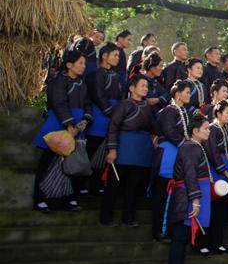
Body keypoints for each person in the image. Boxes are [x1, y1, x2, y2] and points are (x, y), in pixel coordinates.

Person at [33, 49, 91, 212]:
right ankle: (39, 198)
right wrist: (69, 125)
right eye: (80, 63)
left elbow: (87, 102)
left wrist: (85, 120)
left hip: (77, 125)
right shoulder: (58, 81)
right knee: (48, 163)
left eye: (84, 63)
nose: (83, 66)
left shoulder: (82, 82)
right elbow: (59, 103)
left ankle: (69, 198)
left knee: (72, 164)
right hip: (59, 124)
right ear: (69, 65)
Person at [165, 113, 212, 264]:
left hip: (187, 196)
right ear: (195, 130)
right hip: (186, 198)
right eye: (206, 128)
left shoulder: (194, 146)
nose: (209, 131)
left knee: (182, 240)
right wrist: (195, 200)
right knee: (180, 238)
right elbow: (190, 174)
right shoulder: (191, 147)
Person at [100, 74, 154, 227]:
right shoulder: (124, 104)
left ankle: (129, 217)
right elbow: (113, 127)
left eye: (147, 86)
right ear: (132, 88)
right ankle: (106, 217)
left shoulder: (148, 107)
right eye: (142, 85)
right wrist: (112, 149)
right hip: (124, 148)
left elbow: (152, 127)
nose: (145, 88)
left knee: (134, 186)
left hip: (141, 149)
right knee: (114, 185)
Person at [151, 81, 191, 242]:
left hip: (178, 156)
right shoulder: (169, 111)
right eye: (187, 92)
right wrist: (185, 145)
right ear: (177, 93)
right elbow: (169, 130)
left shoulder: (184, 111)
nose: (189, 95)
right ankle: (159, 230)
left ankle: (170, 230)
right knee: (162, 194)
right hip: (168, 156)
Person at [86, 43, 122, 194]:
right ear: (104, 56)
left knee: (105, 151)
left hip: (112, 114)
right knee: (93, 148)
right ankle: (84, 184)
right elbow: (97, 95)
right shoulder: (96, 74)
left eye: (119, 56)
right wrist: (110, 111)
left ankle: (97, 182)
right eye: (115, 55)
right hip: (100, 115)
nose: (117, 58)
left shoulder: (115, 75)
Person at [202, 101, 228, 255]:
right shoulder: (213, 129)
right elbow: (212, 152)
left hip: (225, 169)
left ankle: (217, 242)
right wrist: (224, 171)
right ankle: (204, 242)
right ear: (218, 113)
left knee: (221, 210)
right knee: (211, 208)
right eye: (227, 113)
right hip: (215, 172)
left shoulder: (223, 129)